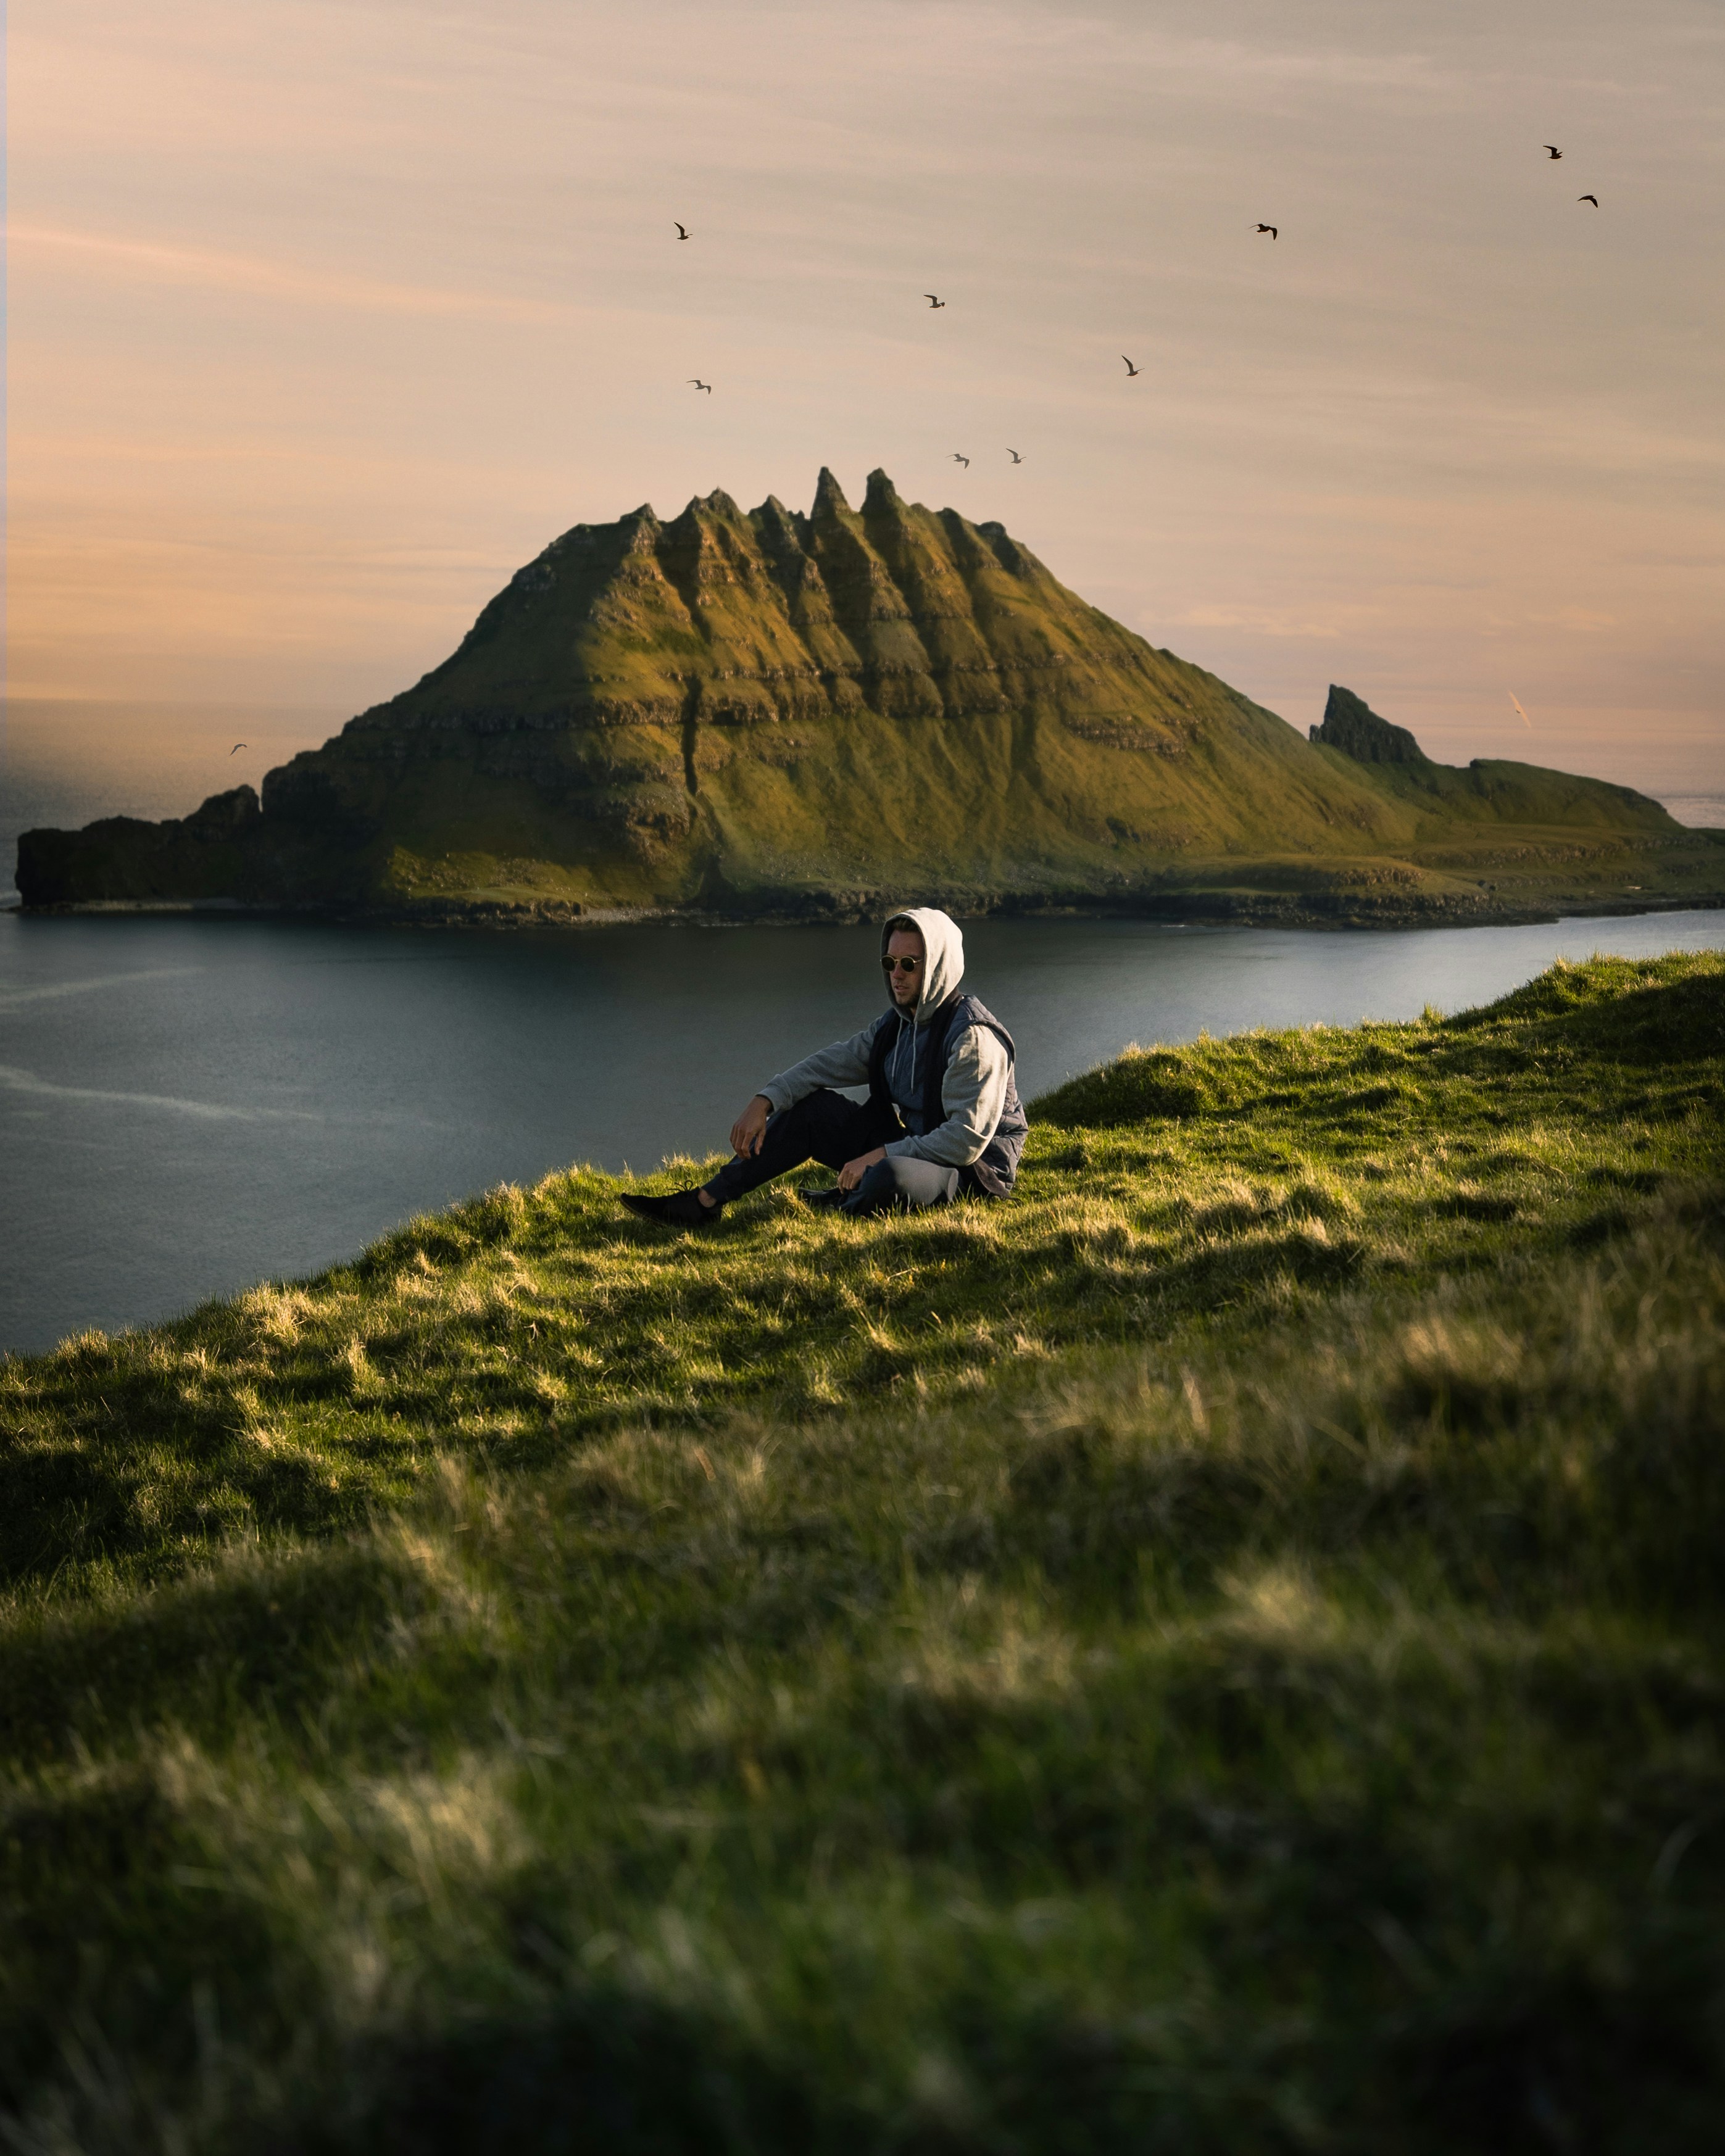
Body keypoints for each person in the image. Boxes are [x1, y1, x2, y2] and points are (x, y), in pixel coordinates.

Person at [621, 906, 1027, 1225]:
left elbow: (964, 1141)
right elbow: (833, 1062)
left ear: (938, 965)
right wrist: (765, 1099)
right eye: (890, 963)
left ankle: (844, 1203)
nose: (896, 975)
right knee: (812, 1111)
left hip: (972, 1174)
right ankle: (703, 1203)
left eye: (910, 964)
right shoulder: (898, 1024)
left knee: (890, 1178)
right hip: (913, 1148)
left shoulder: (972, 1038)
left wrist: (877, 1156)